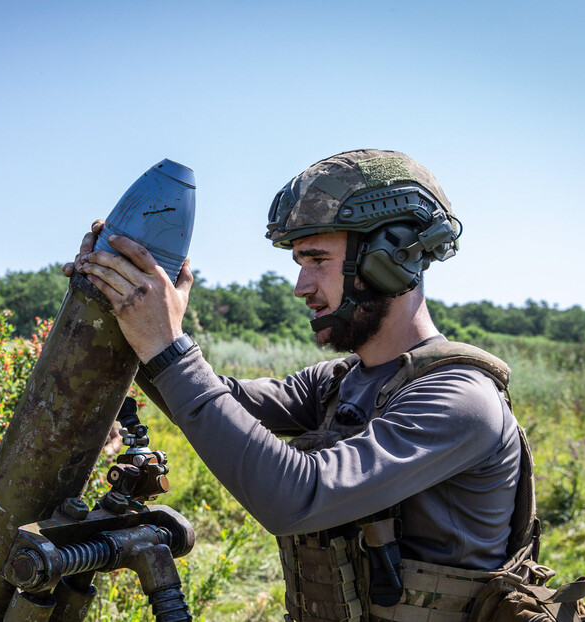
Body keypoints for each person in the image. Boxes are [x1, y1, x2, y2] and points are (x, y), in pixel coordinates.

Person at [64, 150, 525, 622]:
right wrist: (128, 315)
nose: (301, 286)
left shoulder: (460, 400)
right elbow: (218, 399)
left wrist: (166, 345)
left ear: (394, 256)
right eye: (299, 262)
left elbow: (297, 498)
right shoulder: (340, 383)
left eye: (318, 260)